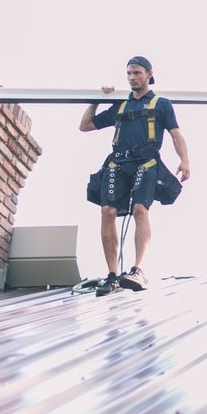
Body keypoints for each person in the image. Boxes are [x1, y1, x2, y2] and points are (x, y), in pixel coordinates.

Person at [80, 56, 190, 296]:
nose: (132, 78)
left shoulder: (161, 104)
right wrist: (96, 100)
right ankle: (112, 275)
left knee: (140, 209)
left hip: (146, 161)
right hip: (118, 162)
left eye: (137, 73)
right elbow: (86, 125)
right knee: (107, 211)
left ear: (149, 74)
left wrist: (184, 160)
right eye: (129, 73)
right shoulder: (121, 105)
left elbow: (175, 133)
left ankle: (138, 270)